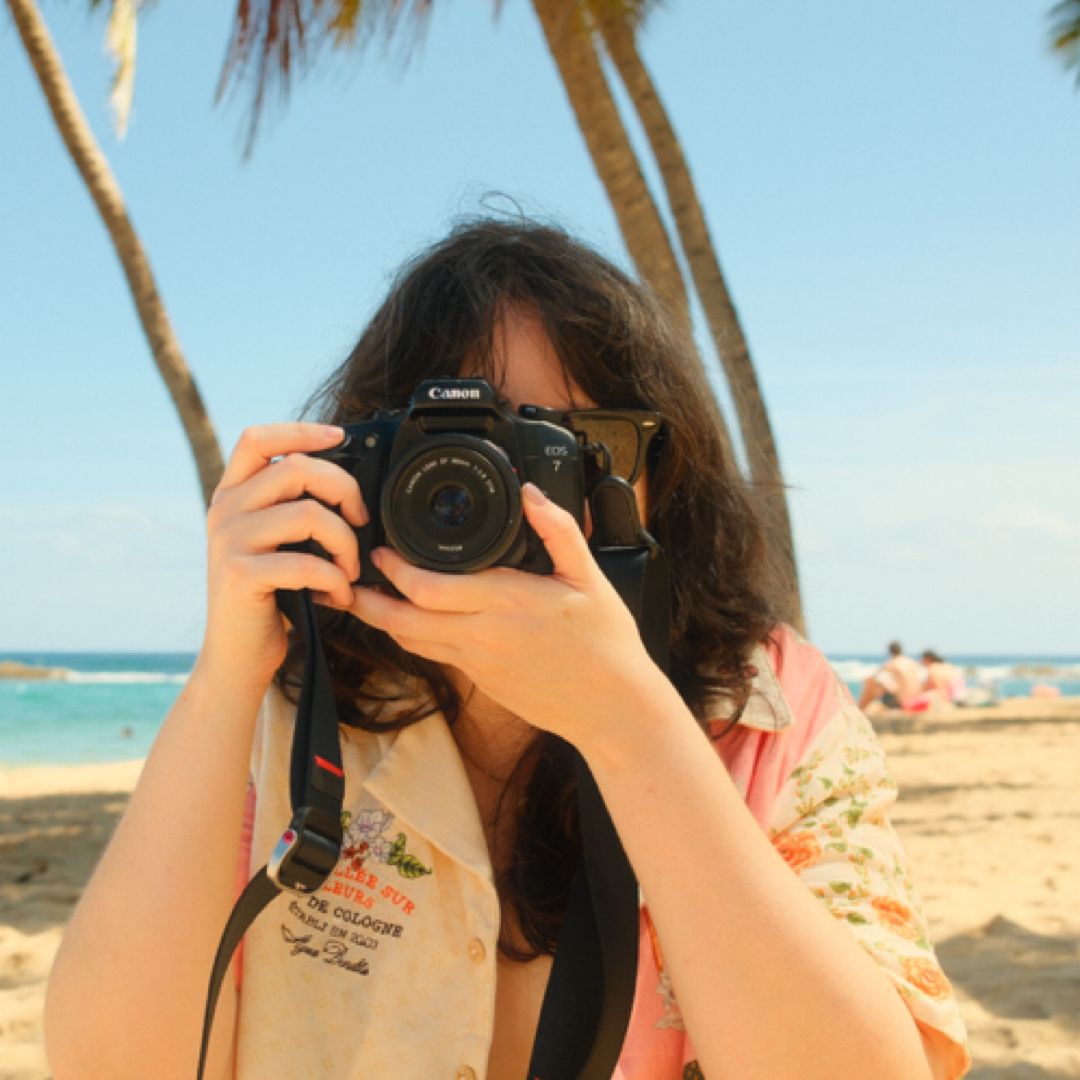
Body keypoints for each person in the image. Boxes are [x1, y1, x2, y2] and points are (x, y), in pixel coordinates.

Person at [44, 220, 969, 1079]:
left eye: (567, 447)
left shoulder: (769, 709)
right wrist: (223, 680)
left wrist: (627, 722)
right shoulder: (278, 698)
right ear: (360, 463)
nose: (495, 496)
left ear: (660, 481)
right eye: (451, 449)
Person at [858, 641, 924, 712]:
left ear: (890, 652)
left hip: (902, 702)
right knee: (885, 686)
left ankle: (860, 709)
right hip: (917, 698)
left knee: (870, 683)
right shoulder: (912, 662)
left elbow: (874, 676)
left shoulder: (892, 663)